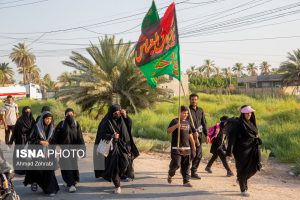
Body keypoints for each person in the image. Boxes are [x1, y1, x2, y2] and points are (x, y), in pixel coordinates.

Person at [94, 104, 139, 194]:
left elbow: (129, 125)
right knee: (114, 166)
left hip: (123, 146)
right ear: (111, 113)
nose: (117, 113)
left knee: (124, 163)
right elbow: (102, 134)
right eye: (115, 112)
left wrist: (125, 116)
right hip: (112, 148)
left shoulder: (122, 119)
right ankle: (117, 185)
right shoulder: (106, 121)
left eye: (119, 111)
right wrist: (112, 136)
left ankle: (121, 176)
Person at [226, 105, 262, 197]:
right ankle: (243, 189)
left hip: (252, 149)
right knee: (242, 169)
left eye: (250, 112)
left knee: (255, 167)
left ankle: (240, 179)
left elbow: (254, 134)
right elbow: (232, 138)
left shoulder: (251, 123)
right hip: (240, 151)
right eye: (247, 112)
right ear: (243, 113)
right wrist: (229, 152)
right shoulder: (238, 123)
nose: (249, 114)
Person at [24, 111, 59, 196]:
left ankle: (50, 189)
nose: (48, 120)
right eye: (47, 118)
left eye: (50, 119)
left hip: (49, 153)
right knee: (39, 171)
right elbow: (30, 140)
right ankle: (37, 182)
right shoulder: (36, 127)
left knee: (49, 171)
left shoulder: (52, 128)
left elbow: (54, 140)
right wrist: (40, 141)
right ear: (43, 119)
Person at [53, 108, 85, 193]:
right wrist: (57, 147)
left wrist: (82, 149)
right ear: (65, 115)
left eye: (71, 114)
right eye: (67, 114)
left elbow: (80, 137)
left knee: (73, 166)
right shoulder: (61, 124)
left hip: (74, 149)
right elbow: (55, 136)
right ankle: (70, 183)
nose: (69, 115)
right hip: (64, 149)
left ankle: (72, 182)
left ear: (73, 114)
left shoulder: (76, 124)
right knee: (65, 166)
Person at [167, 106, 196, 187]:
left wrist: (193, 147)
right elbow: (168, 131)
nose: (185, 115)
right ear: (179, 112)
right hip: (176, 148)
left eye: (187, 113)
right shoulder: (175, 121)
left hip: (187, 148)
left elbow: (190, 135)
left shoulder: (188, 122)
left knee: (186, 166)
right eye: (184, 113)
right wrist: (176, 126)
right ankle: (170, 174)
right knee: (176, 164)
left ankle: (186, 181)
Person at [8, 106, 35, 175]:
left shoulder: (32, 120)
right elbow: (15, 132)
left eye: (29, 111)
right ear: (23, 112)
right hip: (20, 140)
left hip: (29, 141)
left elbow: (35, 131)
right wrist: (11, 141)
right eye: (26, 111)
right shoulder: (19, 120)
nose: (28, 113)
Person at [188, 93, 208, 179]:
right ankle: (185, 170)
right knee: (190, 154)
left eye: (195, 99)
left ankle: (194, 171)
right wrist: (193, 131)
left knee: (199, 155)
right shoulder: (187, 110)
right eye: (192, 99)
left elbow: (204, 123)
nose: (194, 101)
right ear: (190, 100)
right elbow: (186, 122)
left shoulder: (201, 110)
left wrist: (207, 134)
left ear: (197, 100)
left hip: (199, 136)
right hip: (190, 135)